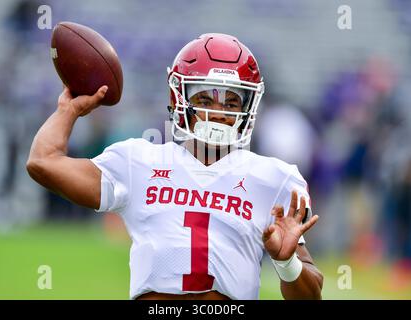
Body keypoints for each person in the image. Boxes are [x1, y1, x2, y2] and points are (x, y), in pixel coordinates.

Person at [27, 33, 323, 300]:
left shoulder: (275, 179)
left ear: (248, 109)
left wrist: (287, 264)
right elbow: (43, 162)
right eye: (205, 98)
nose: (218, 113)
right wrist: (69, 110)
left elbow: (310, 298)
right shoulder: (138, 162)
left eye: (232, 103)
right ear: (178, 98)